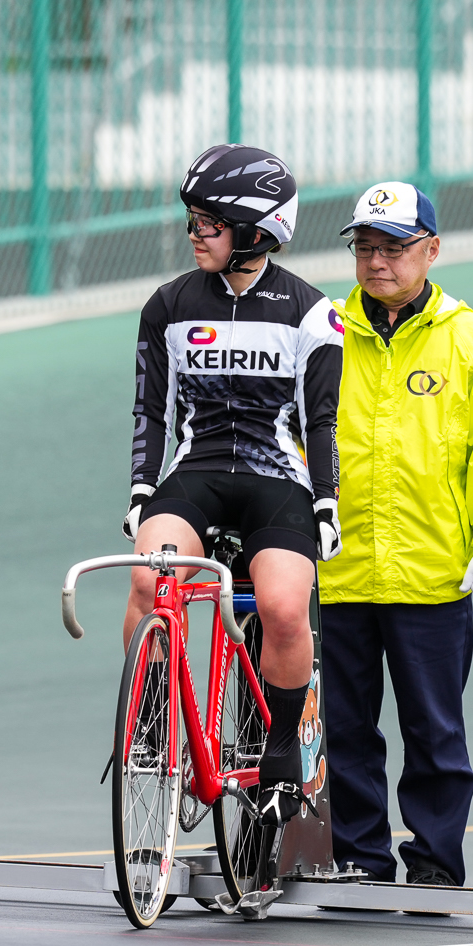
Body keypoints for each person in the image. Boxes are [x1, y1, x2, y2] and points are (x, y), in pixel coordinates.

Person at [124, 144, 340, 828]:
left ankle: (279, 758)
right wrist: (138, 488)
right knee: (146, 574)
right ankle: (150, 722)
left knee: (281, 607)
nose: (194, 235)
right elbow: (148, 407)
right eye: (191, 221)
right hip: (196, 473)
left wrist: (327, 501)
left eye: (208, 224)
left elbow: (323, 417)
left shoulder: (310, 312)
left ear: (254, 231)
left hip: (277, 480)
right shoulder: (167, 306)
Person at [320, 181, 473, 888]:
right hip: (340, 570)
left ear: (432, 250)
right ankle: (359, 855)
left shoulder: (467, 337)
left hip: (433, 572)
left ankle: (436, 861)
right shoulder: (325, 330)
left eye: (395, 247)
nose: (377, 261)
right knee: (346, 730)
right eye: (366, 247)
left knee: (435, 732)